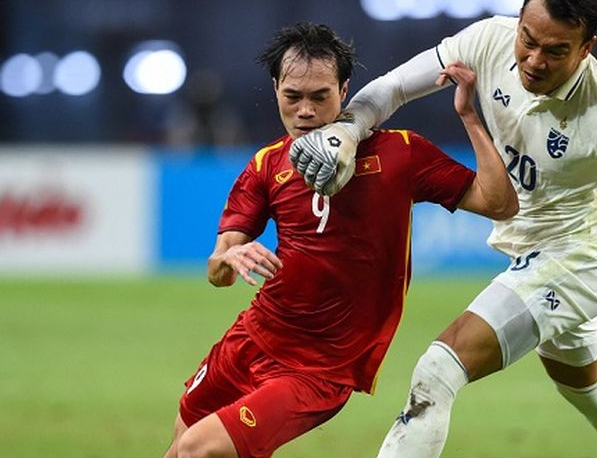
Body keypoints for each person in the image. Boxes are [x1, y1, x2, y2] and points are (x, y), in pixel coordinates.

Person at [288, 0, 597, 457]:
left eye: (556, 51)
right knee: (591, 391)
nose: (533, 60)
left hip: (576, 261)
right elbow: (393, 88)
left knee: (439, 369)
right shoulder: (490, 40)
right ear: (520, 20)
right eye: (528, 39)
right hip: (532, 251)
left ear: (585, 49)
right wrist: (347, 131)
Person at [163, 22, 518, 458]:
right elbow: (217, 271)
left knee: (200, 449)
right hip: (251, 339)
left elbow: (499, 204)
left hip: (318, 369)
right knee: (179, 449)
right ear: (275, 89)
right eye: (293, 97)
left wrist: (469, 116)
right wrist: (231, 255)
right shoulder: (265, 166)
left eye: (320, 97)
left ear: (345, 90)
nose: (306, 111)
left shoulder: (400, 154)